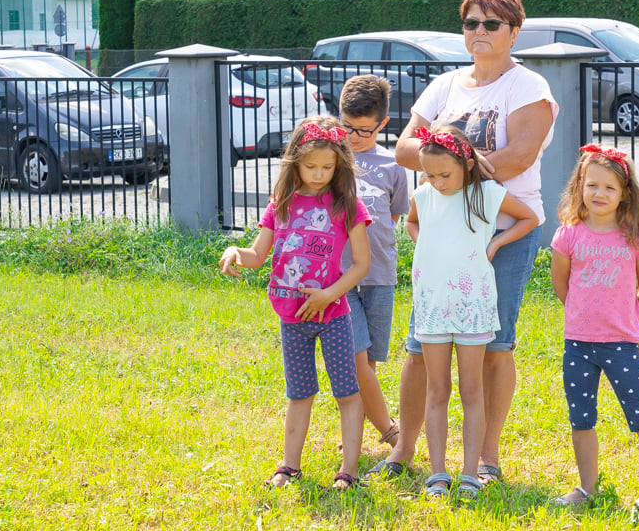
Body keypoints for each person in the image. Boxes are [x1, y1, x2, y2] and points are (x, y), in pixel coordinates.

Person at [370, 0, 559, 483]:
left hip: (503, 231)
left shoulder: (528, 88)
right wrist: (455, 171)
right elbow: (405, 148)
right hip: (441, 235)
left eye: (490, 24)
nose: (478, 32)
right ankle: (403, 451)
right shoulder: (446, 84)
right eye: (471, 23)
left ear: (513, 31)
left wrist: (448, 161)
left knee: (495, 346)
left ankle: (486, 458)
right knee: (419, 345)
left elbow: (519, 156)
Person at [219, 115, 372, 489]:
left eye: (327, 167)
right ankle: (289, 465)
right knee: (299, 392)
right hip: (291, 317)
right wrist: (234, 251)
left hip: (333, 314)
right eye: (310, 167)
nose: (318, 174)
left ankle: (348, 471)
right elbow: (256, 254)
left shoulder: (346, 205)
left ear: (339, 165)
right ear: (294, 163)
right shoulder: (281, 204)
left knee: (347, 393)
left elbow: (362, 264)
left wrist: (328, 295)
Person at [407, 125, 538, 498]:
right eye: (430, 175)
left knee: (471, 390)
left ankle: (468, 473)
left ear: (466, 163)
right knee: (437, 390)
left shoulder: (487, 194)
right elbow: (413, 222)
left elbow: (530, 218)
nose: (437, 182)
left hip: (473, 307)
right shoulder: (424, 195)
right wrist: (424, 243)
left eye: (444, 175)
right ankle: (436, 473)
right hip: (432, 306)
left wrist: (496, 242)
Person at [549, 144, 639, 509]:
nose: (599, 194)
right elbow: (562, 284)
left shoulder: (635, 236)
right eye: (592, 185)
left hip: (621, 343)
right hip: (578, 343)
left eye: (609, 187)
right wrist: (581, 314)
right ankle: (588, 489)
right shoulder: (568, 235)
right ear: (580, 187)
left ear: (624, 194)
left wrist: (630, 320)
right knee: (581, 417)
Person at [338, 75, 410, 450]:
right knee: (354, 355)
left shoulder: (392, 164)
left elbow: (394, 218)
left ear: (382, 124)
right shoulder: (330, 160)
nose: (353, 136)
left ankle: (353, 427)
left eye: (363, 130)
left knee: (369, 362)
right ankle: (389, 429)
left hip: (381, 274)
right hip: (341, 276)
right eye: (346, 126)